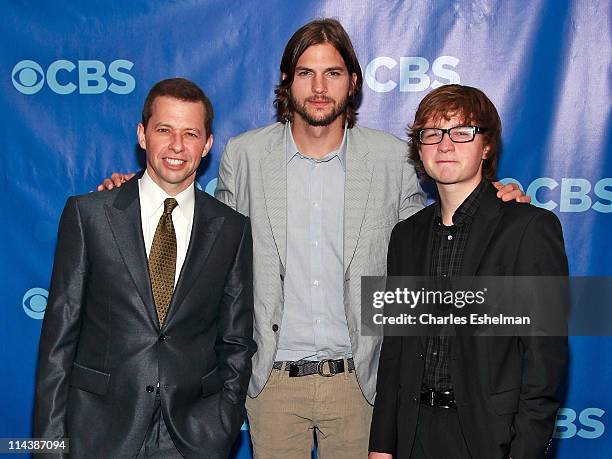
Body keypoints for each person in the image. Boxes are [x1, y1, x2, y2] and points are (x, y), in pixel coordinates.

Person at [99, 20, 527, 458]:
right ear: (287, 81)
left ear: (353, 82)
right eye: (306, 73)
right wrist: (134, 195)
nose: (319, 87)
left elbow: (437, 237)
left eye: (333, 73)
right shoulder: (244, 156)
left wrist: (491, 200)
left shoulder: (391, 159)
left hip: (363, 384)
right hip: (271, 385)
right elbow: (203, 232)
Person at [35, 78, 256, 458]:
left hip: (191, 438)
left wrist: (222, 420)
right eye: (164, 130)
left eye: (190, 133)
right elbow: (58, 344)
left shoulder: (231, 229)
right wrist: (47, 448)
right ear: (142, 135)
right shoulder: (89, 216)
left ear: (206, 145)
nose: (176, 145)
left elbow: (235, 341)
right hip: (98, 434)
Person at [368, 84, 568, 459]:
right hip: (414, 436)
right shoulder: (405, 236)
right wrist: (381, 445)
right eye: (432, 133)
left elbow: (544, 360)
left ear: (486, 146)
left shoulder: (528, 229)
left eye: (462, 132)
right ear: (419, 147)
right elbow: (395, 349)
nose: (445, 145)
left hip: (490, 439)